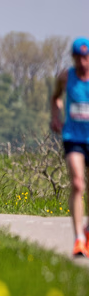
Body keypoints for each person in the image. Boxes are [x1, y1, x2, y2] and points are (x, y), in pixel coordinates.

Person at [50, 37, 89, 257]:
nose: (82, 62)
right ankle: (79, 239)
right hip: (73, 137)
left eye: (86, 58)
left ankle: (87, 230)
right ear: (73, 58)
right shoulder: (66, 77)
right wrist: (55, 117)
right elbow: (55, 98)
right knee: (77, 183)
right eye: (78, 58)